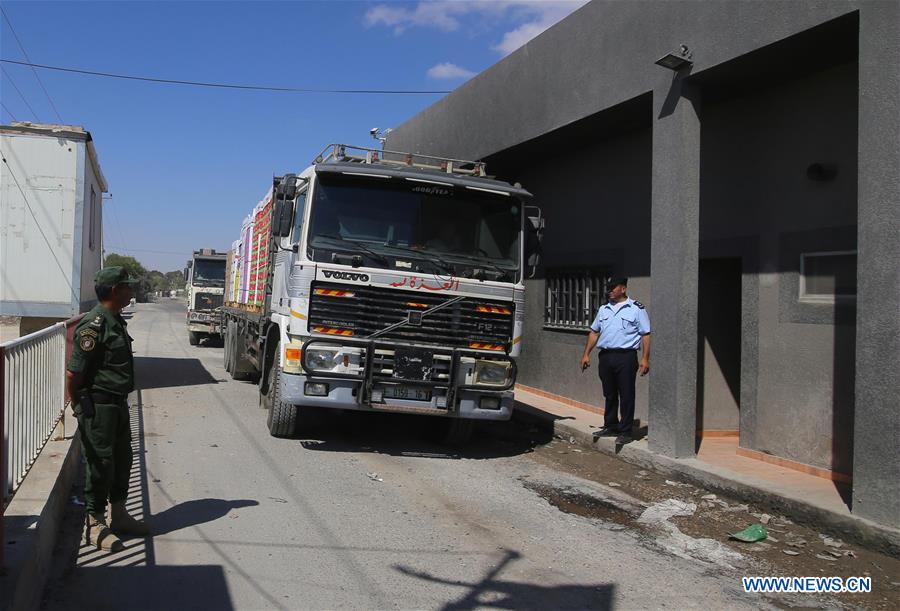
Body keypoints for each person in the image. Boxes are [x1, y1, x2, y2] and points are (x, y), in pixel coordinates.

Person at [66, 266, 150, 552]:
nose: (132, 290)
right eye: (128, 286)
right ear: (115, 290)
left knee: (122, 459)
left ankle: (120, 514)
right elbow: (73, 374)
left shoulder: (115, 320)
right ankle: (94, 524)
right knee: (100, 464)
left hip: (117, 404)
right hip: (99, 407)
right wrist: (78, 406)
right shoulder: (94, 325)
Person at [579, 276, 651, 444]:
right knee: (609, 393)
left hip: (626, 357)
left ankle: (625, 431)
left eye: (613, 287)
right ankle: (611, 425)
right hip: (605, 356)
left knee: (626, 394)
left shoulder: (636, 309)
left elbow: (645, 334)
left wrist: (645, 358)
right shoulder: (604, 309)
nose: (609, 290)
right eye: (608, 288)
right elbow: (594, 332)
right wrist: (586, 354)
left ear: (623, 289)